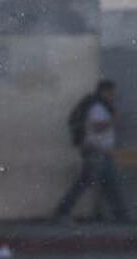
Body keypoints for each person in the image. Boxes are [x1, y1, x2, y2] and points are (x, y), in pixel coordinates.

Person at [54, 79, 127, 223]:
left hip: (99, 153)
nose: (114, 95)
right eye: (112, 92)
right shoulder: (98, 107)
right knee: (92, 183)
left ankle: (119, 216)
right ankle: (62, 212)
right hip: (96, 152)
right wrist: (113, 120)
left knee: (103, 184)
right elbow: (97, 127)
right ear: (105, 91)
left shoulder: (100, 106)